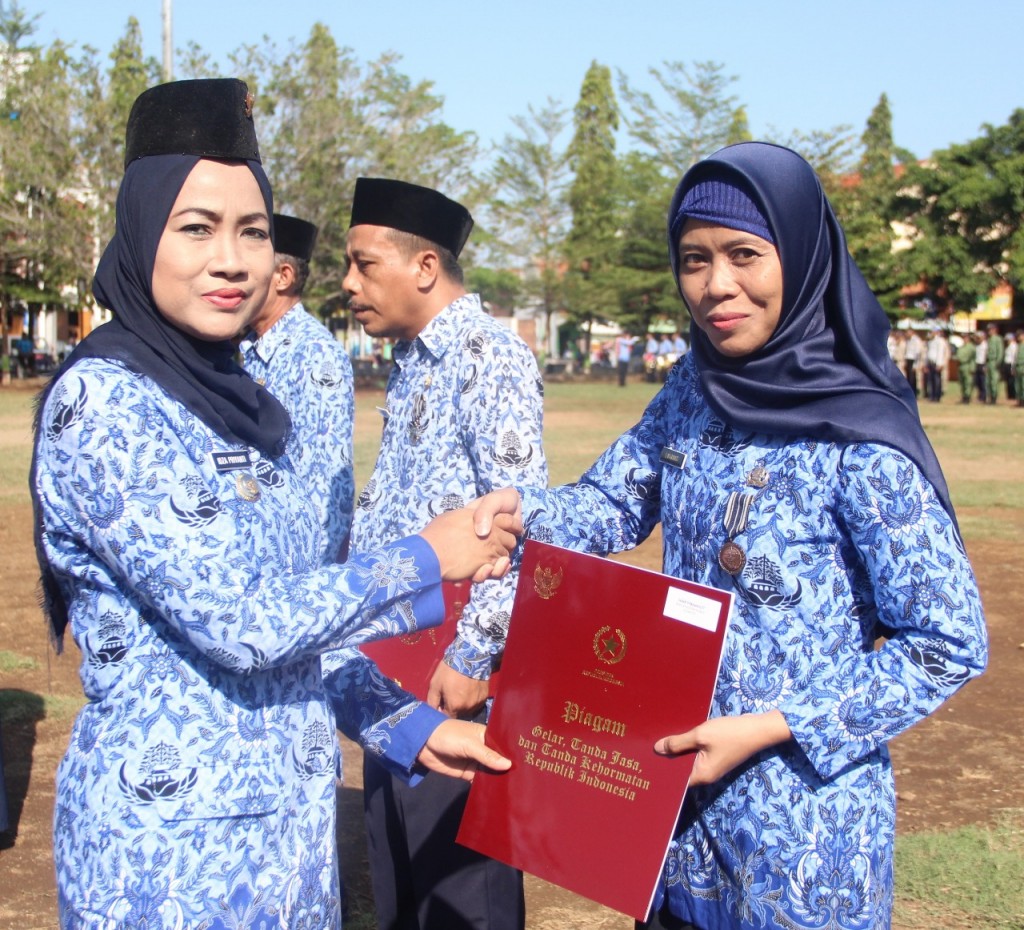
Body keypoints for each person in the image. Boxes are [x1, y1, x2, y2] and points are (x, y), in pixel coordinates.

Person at [29, 79, 519, 929]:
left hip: (286, 860)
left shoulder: (243, 400)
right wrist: (426, 558)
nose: (232, 259)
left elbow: (302, 625)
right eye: (196, 228)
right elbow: (244, 623)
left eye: (252, 231)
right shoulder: (106, 403)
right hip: (170, 868)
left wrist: (405, 724)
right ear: (139, 231)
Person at [476, 141, 988, 930]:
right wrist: (519, 513)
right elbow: (615, 500)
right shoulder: (693, 386)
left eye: (745, 254)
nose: (716, 284)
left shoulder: (860, 430)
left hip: (804, 824)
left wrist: (770, 728)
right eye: (695, 259)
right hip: (672, 805)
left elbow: (947, 642)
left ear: (802, 256)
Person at [328, 177, 547, 930]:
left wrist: (475, 655)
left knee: (459, 897)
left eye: (363, 264)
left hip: (452, 667)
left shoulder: (489, 355)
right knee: (397, 881)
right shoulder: (415, 358)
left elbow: (519, 520)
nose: (348, 283)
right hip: (392, 658)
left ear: (425, 267)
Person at [239, 212, 354, 563]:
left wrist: (312, 578)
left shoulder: (315, 354)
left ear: (283, 276)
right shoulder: (250, 348)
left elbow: (327, 490)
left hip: (294, 568)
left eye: (246, 268)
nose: (233, 278)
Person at [923, 328, 950, 402]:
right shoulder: (930, 341)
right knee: (931, 380)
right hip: (930, 362)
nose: (930, 333)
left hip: (936, 363)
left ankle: (937, 396)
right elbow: (927, 353)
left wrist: (939, 364)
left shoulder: (940, 341)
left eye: (932, 332)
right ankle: (932, 396)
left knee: (937, 380)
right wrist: (926, 364)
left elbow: (940, 353)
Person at [984, 322, 1004, 404]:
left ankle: (994, 398)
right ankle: (990, 397)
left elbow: (1000, 351)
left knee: (994, 381)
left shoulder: (998, 339)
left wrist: (998, 362)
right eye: (988, 330)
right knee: (988, 381)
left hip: (994, 362)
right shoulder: (989, 339)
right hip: (988, 362)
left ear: (995, 330)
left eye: (991, 329)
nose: (989, 331)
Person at [955, 333, 977, 403]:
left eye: (965, 337)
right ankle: (964, 396)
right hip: (961, 366)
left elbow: (973, 358)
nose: (964, 339)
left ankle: (967, 397)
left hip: (967, 366)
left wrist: (972, 368)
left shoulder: (971, 347)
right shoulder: (961, 347)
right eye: (963, 338)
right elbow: (958, 356)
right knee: (962, 382)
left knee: (968, 383)